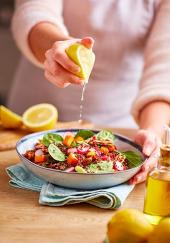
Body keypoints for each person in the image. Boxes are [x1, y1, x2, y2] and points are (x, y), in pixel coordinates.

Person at [9, 0, 170, 184]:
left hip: (120, 124)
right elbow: (33, 12)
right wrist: (58, 50)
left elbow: (163, 73)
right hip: (33, 118)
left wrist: (151, 133)